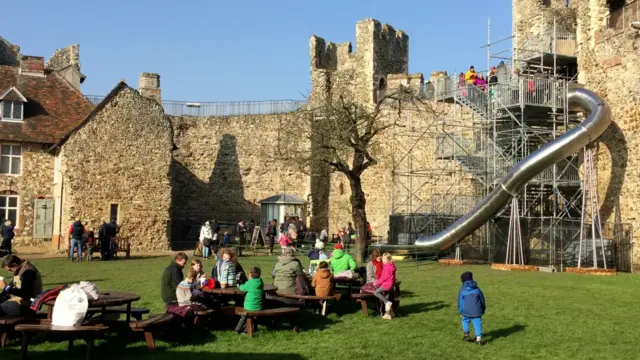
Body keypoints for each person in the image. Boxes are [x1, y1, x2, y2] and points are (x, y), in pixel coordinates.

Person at [458, 271, 486, 345]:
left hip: (466, 310)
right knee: (477, 323)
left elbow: (460, 302)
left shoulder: (462, 290)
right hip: (477, 311)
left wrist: (460, 311)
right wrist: (483, 308)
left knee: (465, 321)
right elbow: (482, 300)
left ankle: (466, 335)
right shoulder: (477, 289)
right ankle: (478, 339)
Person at [235, 267, 263, 334]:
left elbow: (242, 288)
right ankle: (246, 330)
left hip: (249, 306)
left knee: (244, 317)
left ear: (250, 275)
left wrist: (240, 284)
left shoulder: (249, 283)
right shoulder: (260, 282)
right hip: (258, 306)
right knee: (252, 317)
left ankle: (237, 329)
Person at [374, 253, 396, 320]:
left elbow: (384, 278)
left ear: (387, 260)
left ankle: (388, 303)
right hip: (390, 285)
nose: (382, 260)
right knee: (386, 298)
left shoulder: (386, 268)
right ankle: (388, 314)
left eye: (383, 259)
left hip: (386, 285)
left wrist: (377, 283)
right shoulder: (391, 266)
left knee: (376, 293)